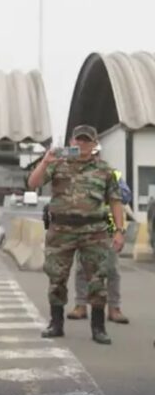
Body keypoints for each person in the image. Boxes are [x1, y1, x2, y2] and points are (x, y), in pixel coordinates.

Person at [27, 125, 125, 345]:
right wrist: (45, 161)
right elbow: (33, 183)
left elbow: (115, 202)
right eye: (78, 140)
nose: (82, 144)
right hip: (61, 230)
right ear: (71, 142)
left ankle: (98, 328)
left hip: (95, 231)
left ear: (94, 144)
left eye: (86, 141)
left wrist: (119, 231)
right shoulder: (57, 163)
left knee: (98, 279)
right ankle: (56, 323)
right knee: (57, 277)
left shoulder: (105, 169)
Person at [66, 143, 131, 324]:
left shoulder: (111, 172)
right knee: (81, 268)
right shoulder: (75, 172)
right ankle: (80, 305)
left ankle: (114, 307)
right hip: (84, 227)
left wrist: (109, 188)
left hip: (107, 226)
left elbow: (125, 196)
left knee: (111, 268)